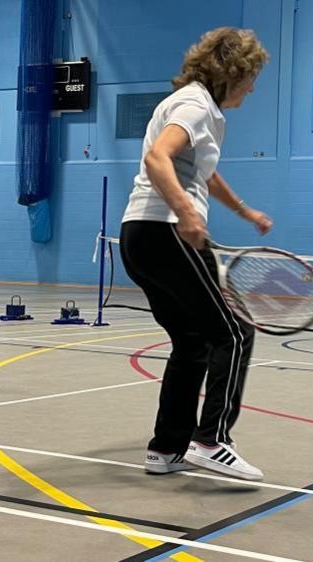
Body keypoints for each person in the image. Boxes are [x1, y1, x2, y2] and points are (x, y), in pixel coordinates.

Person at [119, 27, 272, 481]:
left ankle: (165, 449)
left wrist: (244, 211)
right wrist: (186, 214)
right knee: (237, 332)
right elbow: (158, 158)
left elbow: (204, 172)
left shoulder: (200, 108)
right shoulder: (194, 105)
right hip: (167, 233)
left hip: (139, 236)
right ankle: (211, 441)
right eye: (252, 77)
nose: (253, 87)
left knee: (192, 340)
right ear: (233, 72)